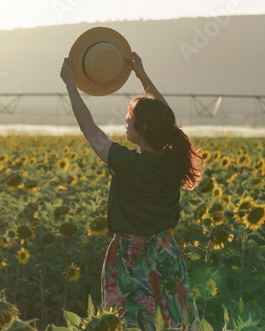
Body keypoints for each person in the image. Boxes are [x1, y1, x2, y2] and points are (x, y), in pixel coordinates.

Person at [60, 52, 202, 330]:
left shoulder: (128, 163)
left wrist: (70, 85)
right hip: (165, 250)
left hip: (130, 254)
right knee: (181, 322)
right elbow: (166, 119)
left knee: (132, 324)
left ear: (143, 127)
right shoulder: (173, 160)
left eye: (130, 117)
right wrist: (141, 75)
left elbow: (92, 132)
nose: (125, 121)